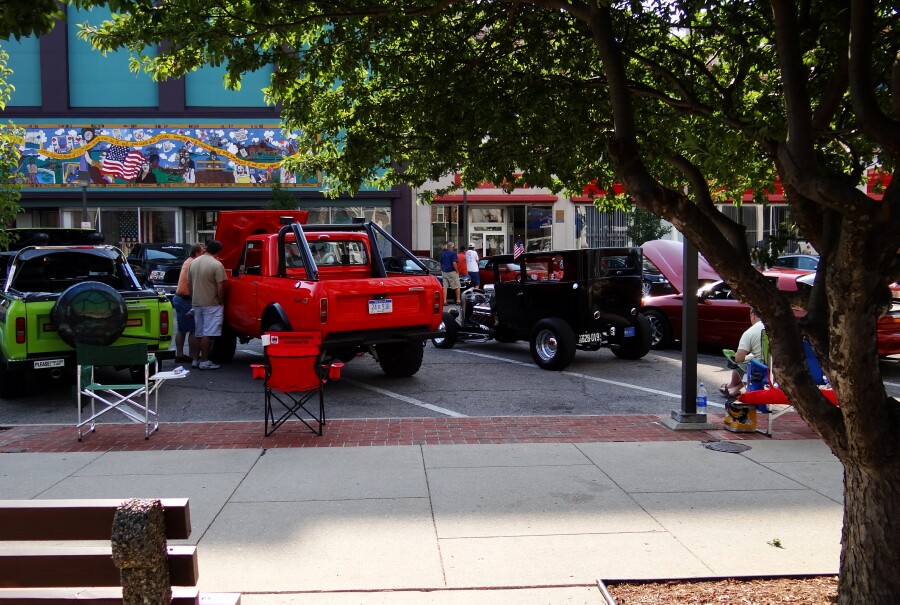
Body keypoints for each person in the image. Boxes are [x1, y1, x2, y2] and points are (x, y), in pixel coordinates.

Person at [188, 240, 227, 370]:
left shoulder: (193, 263)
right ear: (218, 251)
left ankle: (195, 359)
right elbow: (220, 287)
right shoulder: (217, 265)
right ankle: (205, 360)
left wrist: (193, 298)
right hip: (211, 303)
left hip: (196, 302)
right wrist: (221, 301)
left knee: (198, 332)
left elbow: (189, 284)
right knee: (208, 333)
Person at [172, 243, 204, 366]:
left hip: (179, 297)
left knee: (181, 329)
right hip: (186, 299)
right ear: (196, 253)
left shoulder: (188, 261)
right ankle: (192, 355)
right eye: (203, 252)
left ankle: (179, 354)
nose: (204, 254)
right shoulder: (194, 264)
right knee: (193, 329)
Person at [721, 307, 765, 398]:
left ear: (753, 315)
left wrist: (733, 356)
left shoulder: (750, 332)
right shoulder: (777, 328)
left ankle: (731, 385)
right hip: (780, 367)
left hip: (761, 370)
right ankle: (735, 388)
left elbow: (739, 359)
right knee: (752, 358)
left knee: (741, 361)